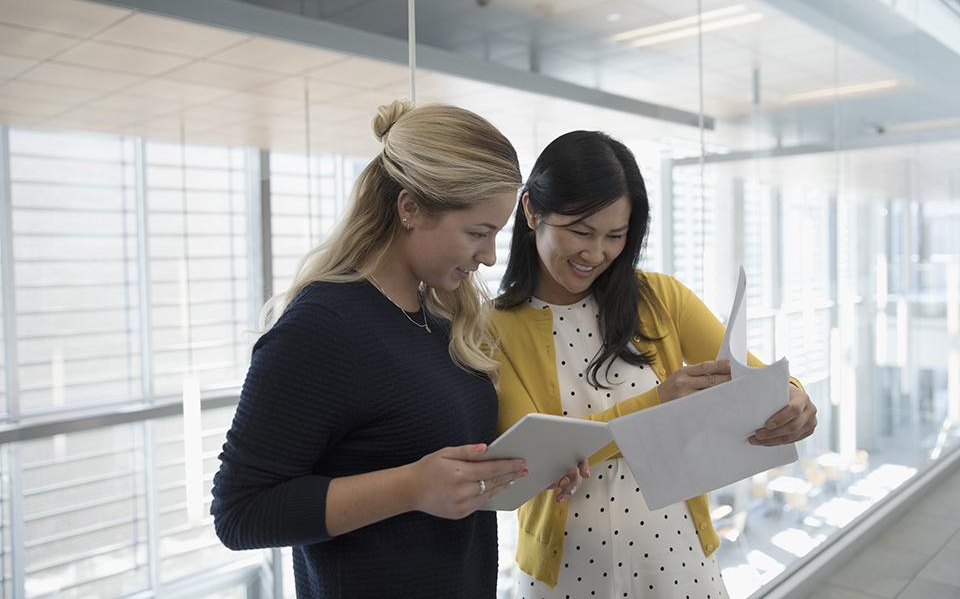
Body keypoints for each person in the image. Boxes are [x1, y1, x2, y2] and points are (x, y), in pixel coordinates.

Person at [211, 100, 533, 599]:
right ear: (409, 208)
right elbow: (240, 512)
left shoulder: (439, 317)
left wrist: (523, 465)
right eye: (478, 233)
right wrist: (411, 487)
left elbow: (426, 447)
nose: (490, 256)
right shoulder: (321, 327)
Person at [492, 130, 818, 598]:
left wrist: (795, 399)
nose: (596, 253)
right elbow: (531, 463)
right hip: (564, 577)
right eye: (581, 231)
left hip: (679, 560)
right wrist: (658, 406)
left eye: (615, 236)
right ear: (531, 211)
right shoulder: (494, 328)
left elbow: (755, 378)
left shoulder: (660, 297)